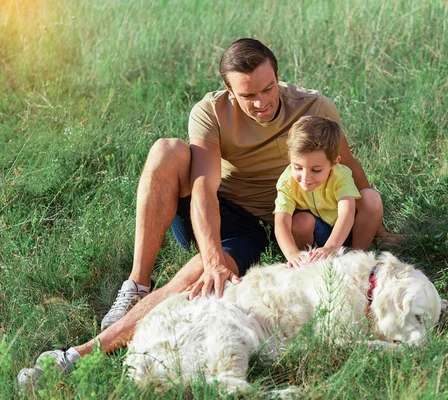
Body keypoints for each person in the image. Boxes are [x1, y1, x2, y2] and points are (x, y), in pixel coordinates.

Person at [17, 38, 396, 385]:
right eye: (249, 95)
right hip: (224, 210)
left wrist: (376, 228)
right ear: (230, 92)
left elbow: (345, 165)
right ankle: (137, 286)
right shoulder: (211, 111)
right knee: (167, 150)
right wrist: (213, 256)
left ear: (278, 77)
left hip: (273, 223)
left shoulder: (315, 106)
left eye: (268, 88)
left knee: (200, 274)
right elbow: (203, 186)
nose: (262, 102)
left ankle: (77, 355)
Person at [274, 116, 363, 268]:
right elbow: (281, 221)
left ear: (334, 162)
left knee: (371, 199)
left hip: (346, 231)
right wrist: (292, 254)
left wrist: (331, 247)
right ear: (290, 158)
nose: (305, 178)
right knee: (301, 221)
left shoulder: (341, 175)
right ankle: (305, 262)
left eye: (316, 170)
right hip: (318, 233)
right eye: (298, 167)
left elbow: (347, 213)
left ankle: (357, 255)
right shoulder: (286, 181)